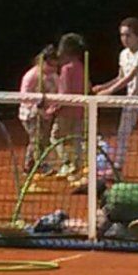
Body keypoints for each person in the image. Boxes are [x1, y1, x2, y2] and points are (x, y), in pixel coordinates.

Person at [92, 17, 138, 182]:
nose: (124, 39)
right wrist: (103, 86)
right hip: (130, 99)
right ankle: (118, 169)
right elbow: (120, 76)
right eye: (122, 35)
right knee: (123, 133)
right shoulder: (123, 54)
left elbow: (129, 78)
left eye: (128, 35)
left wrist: (109, 92)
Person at [50, 33, 87, 179]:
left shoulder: (66, 69)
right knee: (76, 139)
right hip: (79, 110)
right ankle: (77, 167)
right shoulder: (81, 67)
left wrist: (53, 108)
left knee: (55, 137)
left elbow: (64, 94)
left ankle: (66, 162)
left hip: (66, 111)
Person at [19, 45, 60, 175]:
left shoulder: (53, 76)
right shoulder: (31, 76)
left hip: (47, 114)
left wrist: (53, 107)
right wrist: (38, 105)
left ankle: (35, 164)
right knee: (36, 139)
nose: (53, 68)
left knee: (43, 140)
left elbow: (58, 92)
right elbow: (24, 96)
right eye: (51, 65)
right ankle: (34, 165)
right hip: (31, 114)